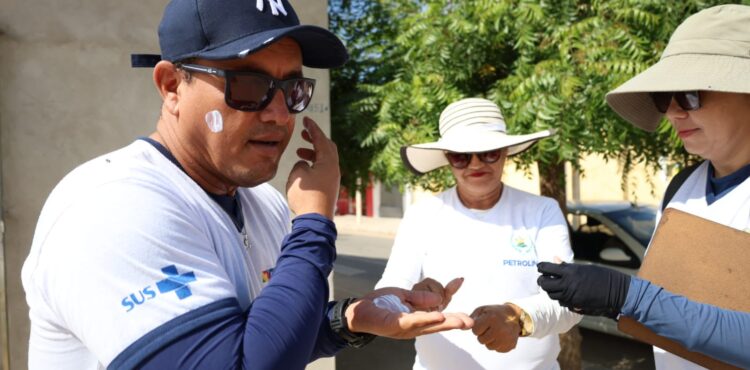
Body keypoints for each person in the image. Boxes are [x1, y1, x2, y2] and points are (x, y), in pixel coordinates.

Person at [20, 1, 473, 369]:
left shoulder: (264, 205)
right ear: (172, 86)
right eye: (249, 85)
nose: (279, 114)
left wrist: (346, 321)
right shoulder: (111, 207)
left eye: (293, 89)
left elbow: (265, 338)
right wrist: (315, 221)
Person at [537, 4, 750, 369]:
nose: (672, 112)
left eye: (689, 95)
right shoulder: (683, 186)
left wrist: (624, 296)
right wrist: (606, 296)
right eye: (663, 98)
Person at [375, 98, 582, 370]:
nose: (475, 164)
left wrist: (518, 318)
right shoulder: (422, 215)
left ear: (505, 151)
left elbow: (570, 302)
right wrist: (410, 300)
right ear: (447, 158)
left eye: (488, 152)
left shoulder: (542, 211)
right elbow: (383, 298)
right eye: (461, 155)